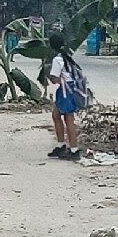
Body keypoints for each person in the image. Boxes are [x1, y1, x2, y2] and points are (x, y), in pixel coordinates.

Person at [47, 33, 81, 161]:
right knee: (57, 115)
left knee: (68, 119)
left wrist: (50, 76)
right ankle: (61, 145)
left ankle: (73, 149)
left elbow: (55, 78)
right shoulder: (68, 57)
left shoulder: (57, 60)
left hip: (65, 90)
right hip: (72, 88)